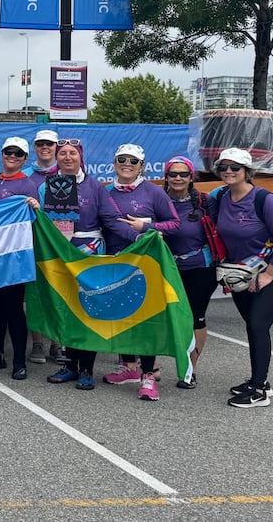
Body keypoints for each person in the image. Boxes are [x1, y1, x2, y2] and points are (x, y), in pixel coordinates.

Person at [40, 138, 137, 391]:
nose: (67, 157)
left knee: (88, 309)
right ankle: (70, 365)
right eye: (63, 154)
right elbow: (42, 221)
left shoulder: (95, 187)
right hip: (62, 253)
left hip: (90, 252)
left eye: (72, 153)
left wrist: (138, 236)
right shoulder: (46, 186)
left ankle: (87, 369)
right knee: (68, 309)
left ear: (80, 156)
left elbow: (112, 220)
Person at [100, 144, 181, 400]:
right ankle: (129, 368)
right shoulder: (105, 191)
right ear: (114, 163)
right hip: (116, 264)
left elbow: (175, 224)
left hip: (146, 267)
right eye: (122, 159)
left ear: (142, 166)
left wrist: (145, 226)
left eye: (133, 161)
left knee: (146, 320)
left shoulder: (154, 192)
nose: (127, 164)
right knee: (121, 317)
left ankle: (148, 375)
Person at [212, 148, 273, 408]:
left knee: (258, 327)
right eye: (224, 167)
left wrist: (269, 273)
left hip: (265, 275)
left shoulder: (263, 200)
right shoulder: (221, 197)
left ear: (247, 171)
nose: (228, 171)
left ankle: (258, 391)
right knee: (252, 326)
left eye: (235, 167)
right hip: (238, 276)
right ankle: (258, 379)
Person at [0, 137, 40, 380]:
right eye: (8, 152)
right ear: (2, 154)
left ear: (24, 159)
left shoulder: (28, 184)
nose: (12, 156)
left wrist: (35, 207)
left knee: (14, 308)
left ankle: (19, 361)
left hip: (15, 258)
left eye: (18, 153)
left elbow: (34, 219)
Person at [159, 157, 219, 391]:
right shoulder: (158, 199)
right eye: (173, 174)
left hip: (200, 267)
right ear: (166, 176)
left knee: (196, 317)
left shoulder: (206, 202)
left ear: (191, 177)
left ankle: (190, 370)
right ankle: (151, 368)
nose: (178, 178)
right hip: (167, 268)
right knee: (164, 315)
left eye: (183, 174)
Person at [25, 128, 61, 364]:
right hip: (31, 242)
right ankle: (37, 343)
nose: (45, 147)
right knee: (35, 294)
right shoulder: (25, 175)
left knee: (58, 292)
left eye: (49, 143)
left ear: (56, 147)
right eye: (40, 144)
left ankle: (57, 343)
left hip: (58, 242)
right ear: (35, 147)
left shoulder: (68, 173)